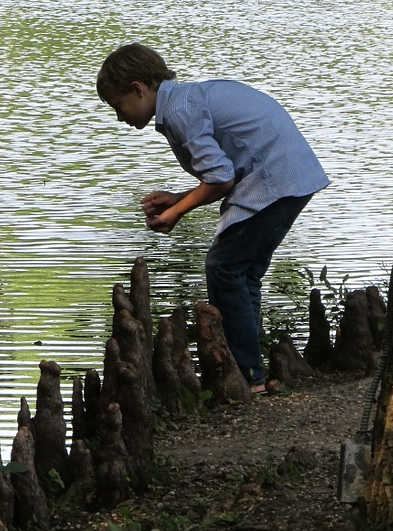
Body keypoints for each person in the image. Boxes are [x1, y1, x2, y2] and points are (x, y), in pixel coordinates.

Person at [96, 42, 328, 395]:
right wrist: (178, 197)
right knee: (241, 271)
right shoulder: (186, 99)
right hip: (290, 176)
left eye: (118, 106)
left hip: (275, 180)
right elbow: (221, 170)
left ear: (138, 89)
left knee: (224, 267)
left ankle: (248, 376)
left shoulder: (178, 112)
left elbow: (221, 179)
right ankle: (252, 373)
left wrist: (175, 212)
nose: (119, 117)